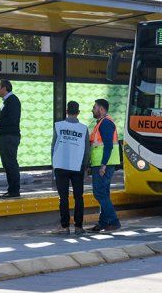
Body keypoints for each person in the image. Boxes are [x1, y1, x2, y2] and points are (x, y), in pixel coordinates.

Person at [52, 101, 90, 234]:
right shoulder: (84, 128)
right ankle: (79, 227)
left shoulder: (58, 126)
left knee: (63, 197)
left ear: (66, 111)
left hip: (61, 165)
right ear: (78, 112)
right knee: (78, 197)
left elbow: (53, 146)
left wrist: (54, 166)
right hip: (77, 165)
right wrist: (85, 166)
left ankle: (65, 226)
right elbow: (86, 150)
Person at [89, 98, 121, 232]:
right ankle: (103, 223)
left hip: (103, 165)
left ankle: (113, 221)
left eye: (95, 107)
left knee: (99, 193)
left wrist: (103, 165)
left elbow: (108, 146)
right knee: (104, 194)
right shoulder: (102, 123)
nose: (93, 109)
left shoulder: (106, 123)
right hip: (102, 164)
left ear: (101, 109)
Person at [0, 80, 21, 198]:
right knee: (7, 163)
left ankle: (14, 190)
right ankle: (11, 189)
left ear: (4, 88)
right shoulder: (7, 101)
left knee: (10, 163)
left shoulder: (12, 101)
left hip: (9, 136)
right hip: (6, 136)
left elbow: (12, 120)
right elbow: (8, 119)